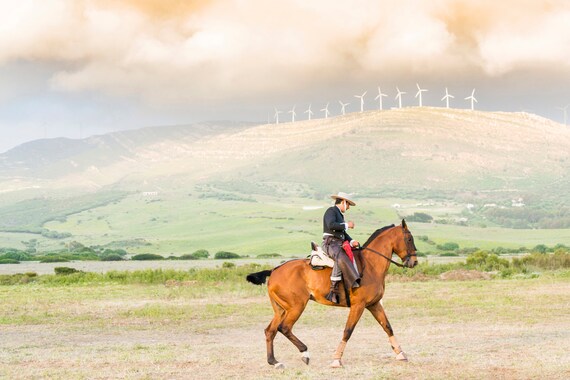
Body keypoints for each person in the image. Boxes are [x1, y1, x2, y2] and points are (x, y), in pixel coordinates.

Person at [322, 192, 361, 304]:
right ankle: (333, 291)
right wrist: (347, 225)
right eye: (348, 205)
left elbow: (342, 233)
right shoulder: (331, 211)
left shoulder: (340, 215)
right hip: (330, 243)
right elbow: (331, 225)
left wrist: (352, 241)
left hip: (338, 243)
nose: (348, 208)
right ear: (344, 202)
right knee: (341, 257)